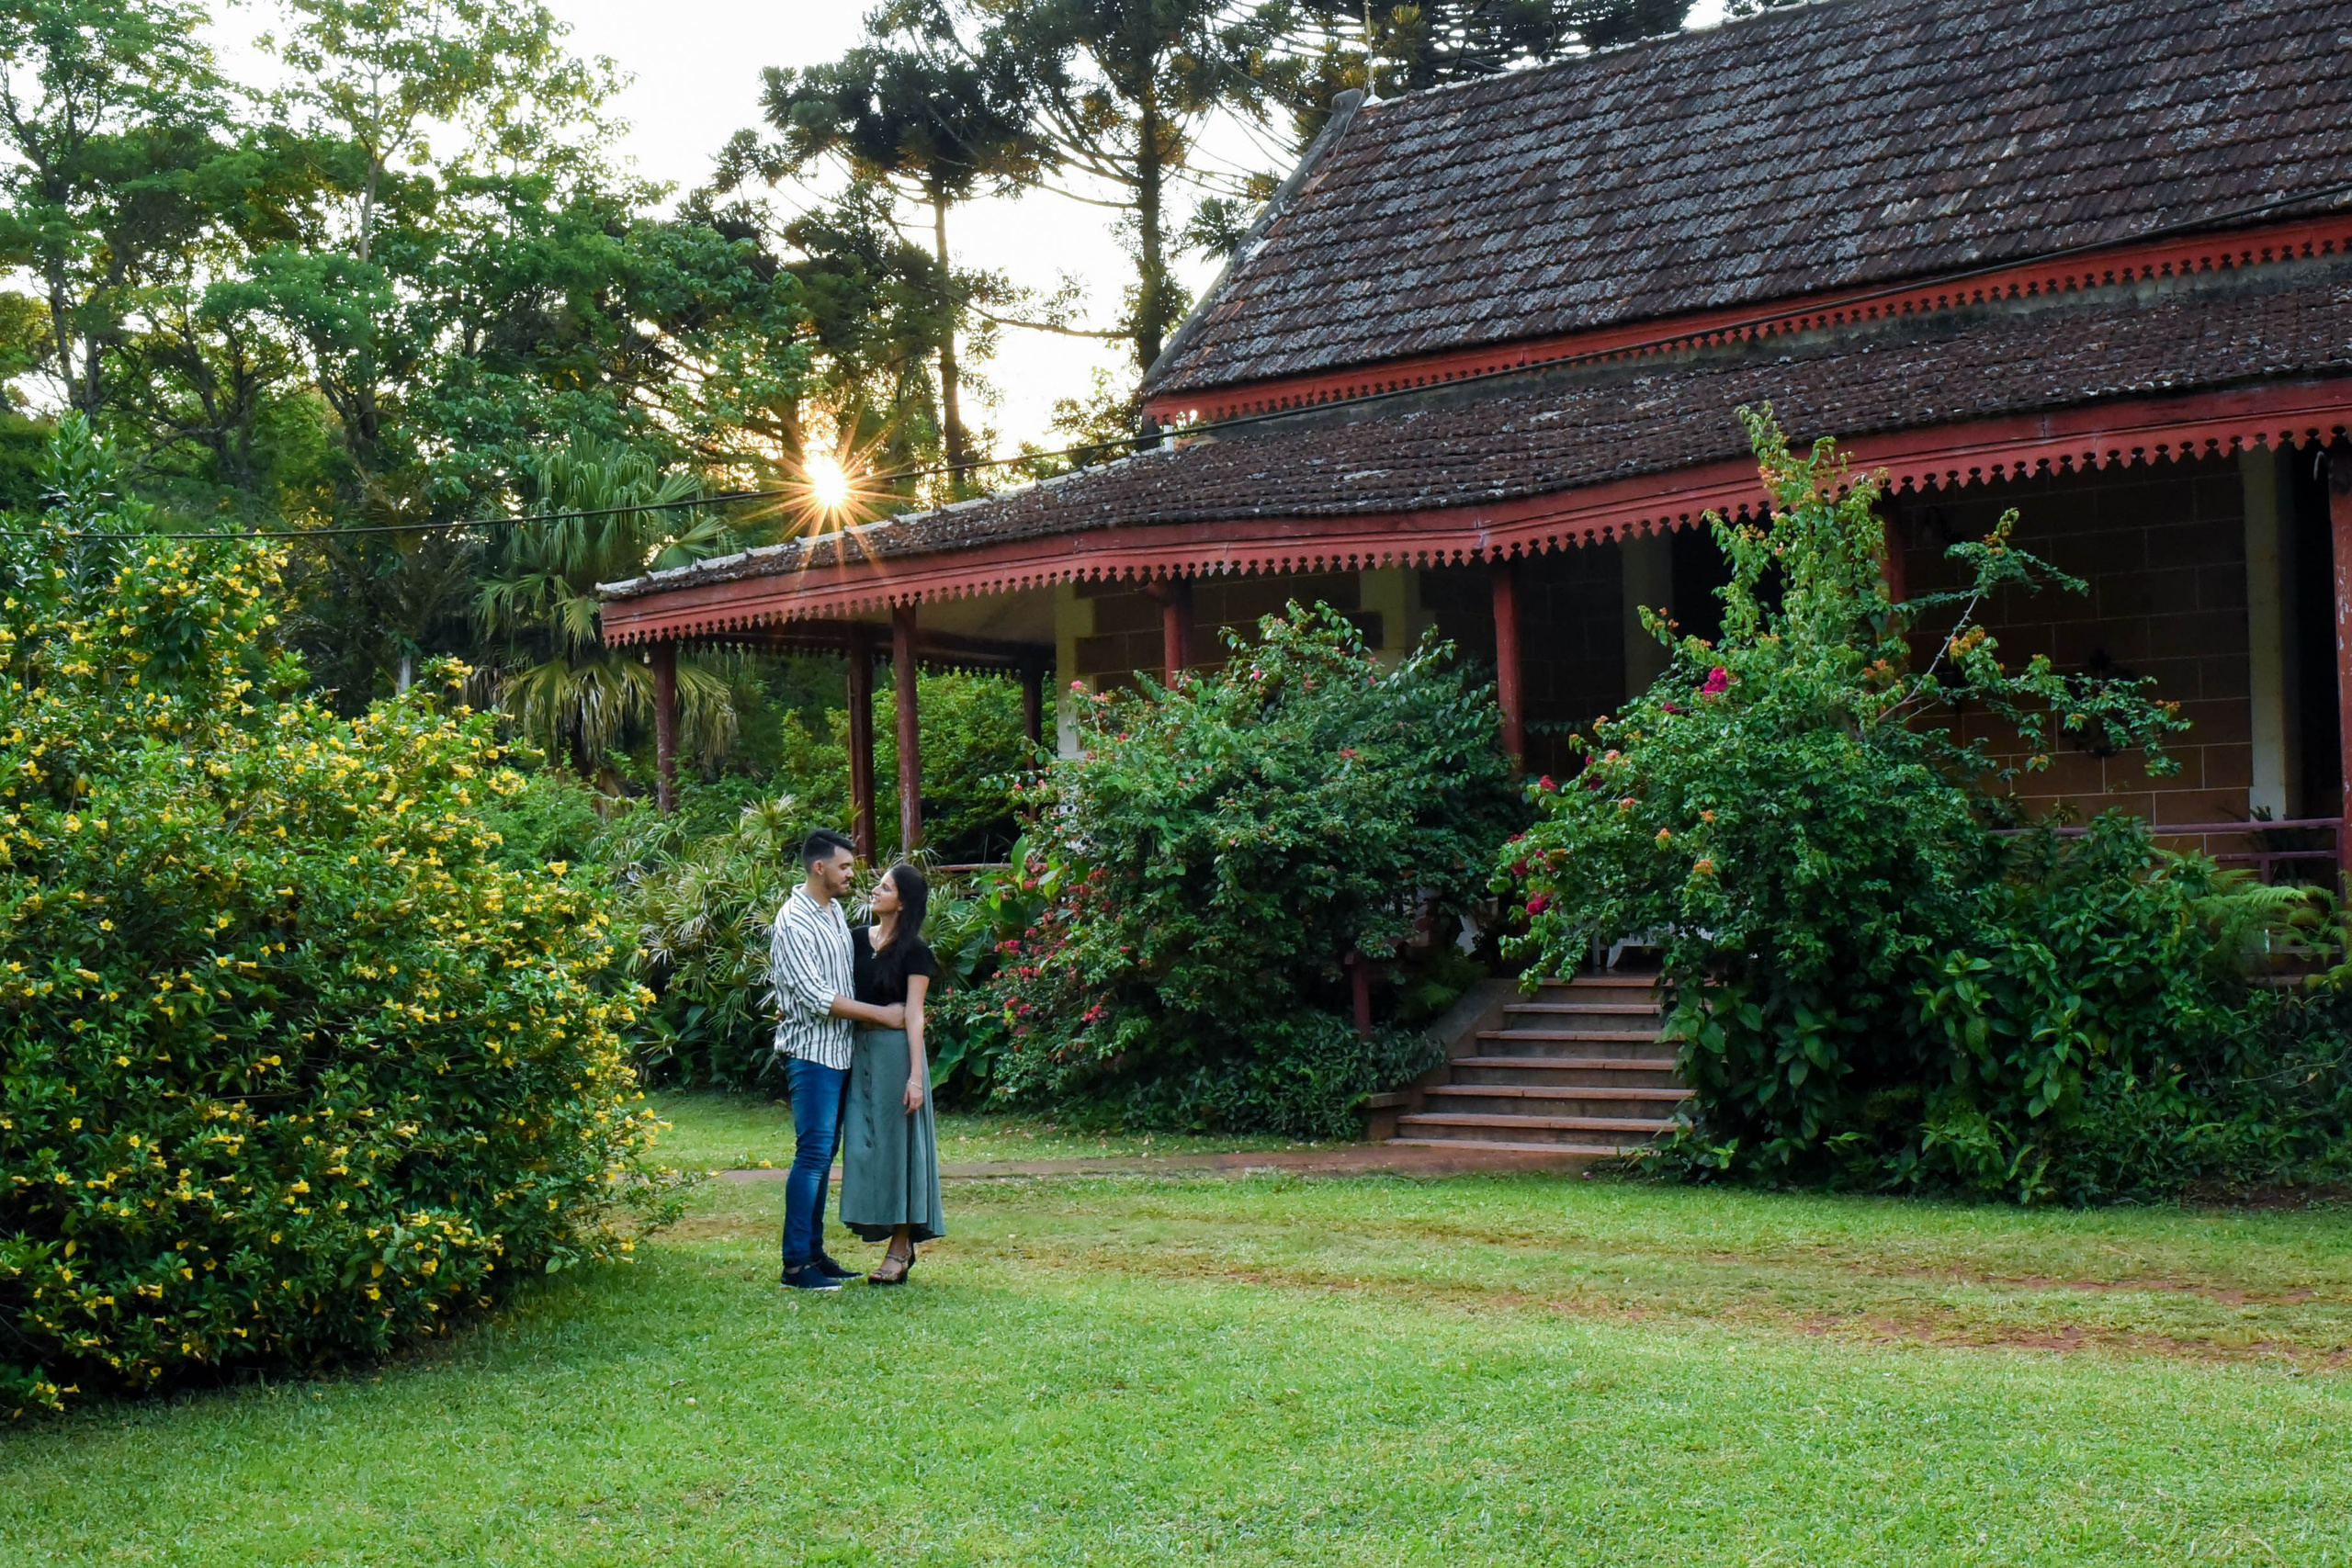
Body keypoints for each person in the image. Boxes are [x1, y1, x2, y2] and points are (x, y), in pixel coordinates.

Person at [770, 828, 904, 1292]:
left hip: (840, 1052)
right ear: (819, 867)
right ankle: (794, 1265)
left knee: (823, 1158)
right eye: (845, 866)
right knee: (811, 1157)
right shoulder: (793, 921)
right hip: (811, 1054)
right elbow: (814, 996)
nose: (852, 874)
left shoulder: (833, 912)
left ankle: (813, 1253)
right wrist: (883, 1015)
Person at [839, 863, 945, 1284]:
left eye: (885, 887)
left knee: (900, 1149)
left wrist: (916, 1076)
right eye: (878, 885)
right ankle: (874, 1223)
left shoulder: (915, 951)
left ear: (902, 902)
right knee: (865, 1149)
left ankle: (900, 1247)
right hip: (857, 1051)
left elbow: (915, 1014)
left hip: (897, 1057)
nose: (875, 891)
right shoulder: (852, 940)